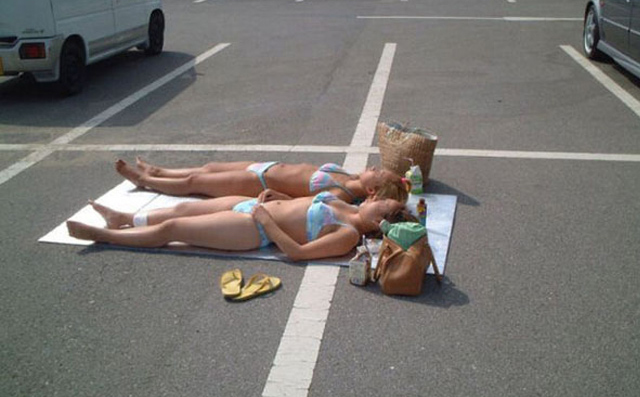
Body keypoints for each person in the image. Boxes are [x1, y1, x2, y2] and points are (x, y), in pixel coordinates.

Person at [67, 192, 415, 262]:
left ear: (379, 222)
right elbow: (301, 204)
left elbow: (297, 253)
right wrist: (276, 197)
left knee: (175, 227)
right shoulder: (347, 204)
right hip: (254, 206)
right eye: (379, 198)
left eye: (381, 204)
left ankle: (105, 235)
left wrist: (266, 221)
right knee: (184, 207)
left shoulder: (348, 235)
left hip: (254, 228)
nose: (374, 199)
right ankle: (125, 218)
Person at [115, 157, 410, 203]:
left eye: (377, 171)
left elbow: (303, 204)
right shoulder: (350, 175)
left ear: (371, 188)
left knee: (196, 182)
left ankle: (147, 181)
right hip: (266, 166)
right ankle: (160, 172)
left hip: (260, 183)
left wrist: (278, 197)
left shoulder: (341, 194)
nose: (374, 166)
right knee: (208, 168)